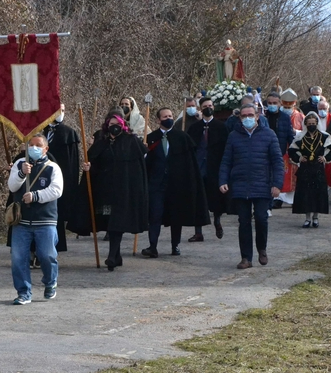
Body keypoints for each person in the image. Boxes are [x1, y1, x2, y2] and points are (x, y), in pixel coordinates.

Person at [73, 110, 149, 271]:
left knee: (117, 222)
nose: (114, 127)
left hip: (124, 190)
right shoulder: (102, 141)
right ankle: (117, 255)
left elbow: (138, 169)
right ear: (107, 125)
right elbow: (95, 164)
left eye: (117, 124)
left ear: (123, 125)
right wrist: (89, 167)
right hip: (105, 190)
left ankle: (112, 256)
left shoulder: (131, 141)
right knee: (110, 222)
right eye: (111, 124)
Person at [218, 104, 285, 269]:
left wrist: (277, 184)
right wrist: (223, 180)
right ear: (239, 118)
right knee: (244, 222)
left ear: (257, 116)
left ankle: (262, 248)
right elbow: (226, 160)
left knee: (261, 219)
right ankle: (246, 258)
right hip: (240, 185)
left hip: (262, 184)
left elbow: (277, 162)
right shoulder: (234, 136)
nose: (247, 118)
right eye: (244, 116)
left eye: (250, 115)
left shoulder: (269, 135)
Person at [142, 107, 209, 257]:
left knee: (176, 216)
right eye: (165, 116)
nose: (169, 118)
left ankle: (175, 245)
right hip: (157, 184)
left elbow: (189, 164)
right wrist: (144, 151)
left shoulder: (182, 137)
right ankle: (153, 246)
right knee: (155, 215)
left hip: (176, 184)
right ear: (158, 120)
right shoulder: (151, 138)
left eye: (170, 116)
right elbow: (146, 163)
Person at [7, 134, 63, 304]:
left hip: (45, 220)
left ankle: (50, 282)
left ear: (46, 149)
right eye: (31, 145)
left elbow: (57, 190)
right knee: (18, 258)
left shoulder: (52, 167)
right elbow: (12, 186)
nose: (34, 148)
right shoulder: (19, 164)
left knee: (46, 255)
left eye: (38, 145)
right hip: (21, 221)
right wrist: (21, 174)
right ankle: (23, 292)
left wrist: (36, 196)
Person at [187, 97, 230, 241]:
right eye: (205, 106)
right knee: (198, 198)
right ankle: (198, 231)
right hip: (199, 167)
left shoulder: (221, 127)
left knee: (216, 197)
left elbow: (226, 148)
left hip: (214, 167)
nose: (208, 108)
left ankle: (217, 221)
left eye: (210, 106)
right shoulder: (194, 127)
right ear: (201, 108)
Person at [288, 112, 331, 228]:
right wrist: (299, 158)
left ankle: (316, 217)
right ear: (306, 124)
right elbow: (291, 150)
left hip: (318, 168)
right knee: (306, 194)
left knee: (317, 193)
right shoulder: (300, 137)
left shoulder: (324, 136)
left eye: (313, 123)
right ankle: (307, 218)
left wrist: (325, 158)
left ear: (317, 123)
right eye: (309, 124)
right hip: (305, 169)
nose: (311, 125)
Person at [43, 103, 81, 252]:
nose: (60, 113)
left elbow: (73, 163)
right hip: (42, 176)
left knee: (57, 212)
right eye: (57, 110)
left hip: (61, 178)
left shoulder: (69, 134)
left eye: (63, 110)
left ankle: (56, 244)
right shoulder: (41, 132)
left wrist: (70, 184)